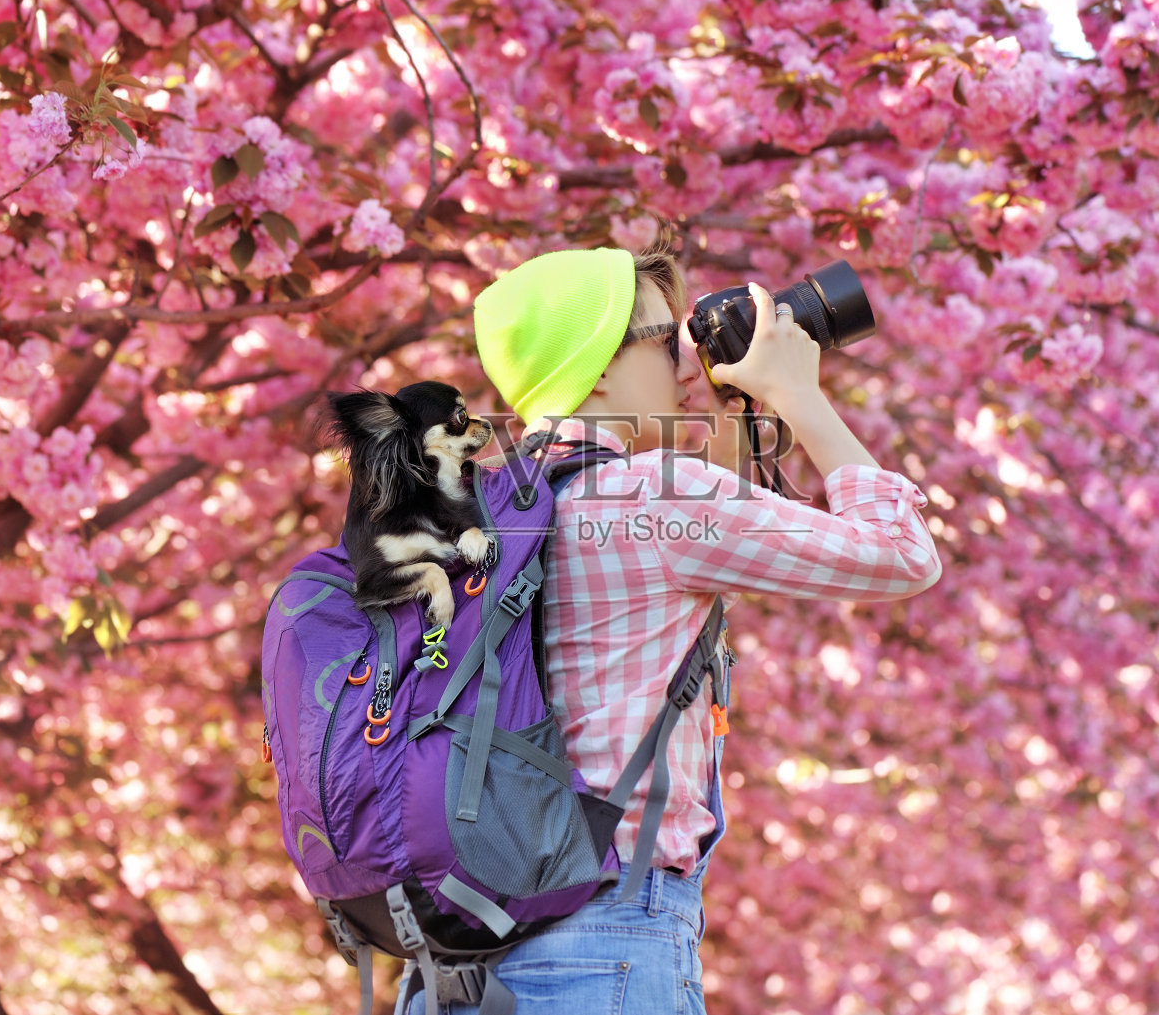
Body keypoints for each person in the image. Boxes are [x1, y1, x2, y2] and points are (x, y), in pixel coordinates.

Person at [398, 238, 941, 1013]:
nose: (687, 359)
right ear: (605, 364)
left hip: (455, 964)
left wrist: (718, 423)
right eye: (664, 337)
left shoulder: (467, 517)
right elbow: (900, 555)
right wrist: (799, 396)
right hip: (604, 947)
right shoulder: (657, 496)